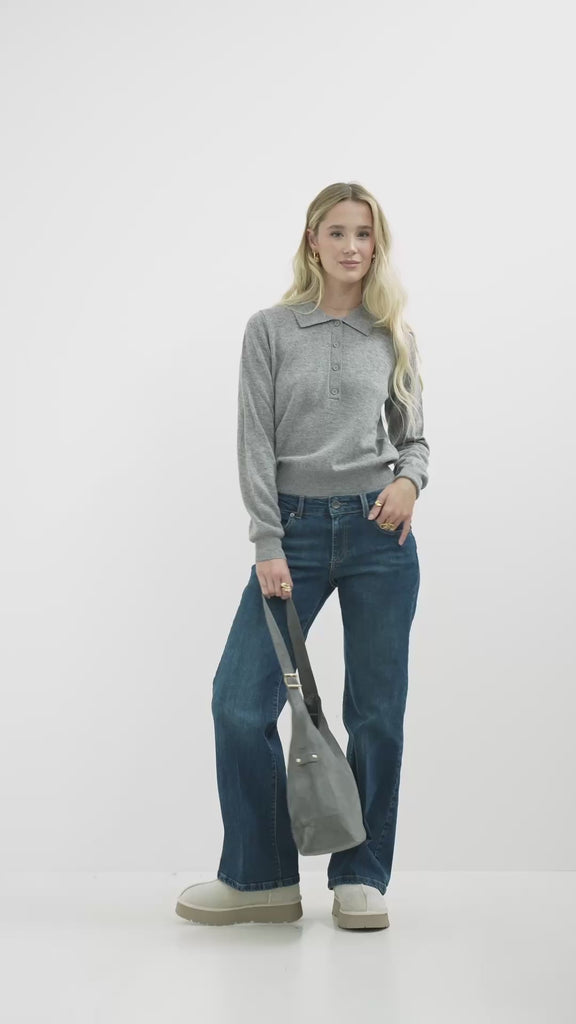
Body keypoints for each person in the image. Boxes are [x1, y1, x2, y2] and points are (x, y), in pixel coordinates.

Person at [175, 181, 430, 930]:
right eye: (337, 232)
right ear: (312, 241)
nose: (352, 246)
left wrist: (409, 482)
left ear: (377, 246)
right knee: (238, 701)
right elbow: (254, 441)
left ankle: (361, 877)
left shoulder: (393, 334)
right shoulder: (271, 329)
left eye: (364, 234)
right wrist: (268, 540)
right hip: (294, 533)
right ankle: (260, 878)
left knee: (376, 713)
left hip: (380, 534)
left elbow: (414, 439)